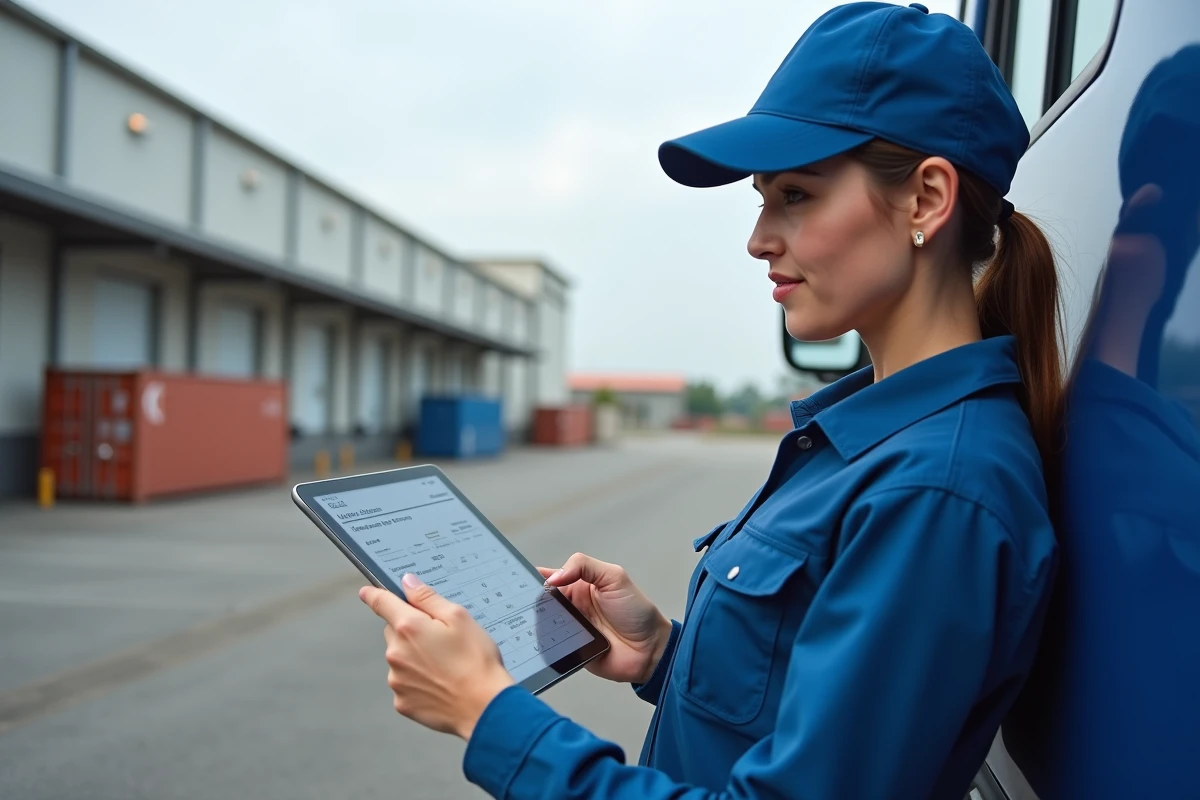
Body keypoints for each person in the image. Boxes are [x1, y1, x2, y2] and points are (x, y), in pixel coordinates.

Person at [357, 3, 1062, 798]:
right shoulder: (876, 446)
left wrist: (490, 716)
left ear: (927, 199)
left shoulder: (935, 492)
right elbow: (806, 708)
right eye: (762, 199)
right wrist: (661, 652)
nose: (759, 237)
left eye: (796, 195)